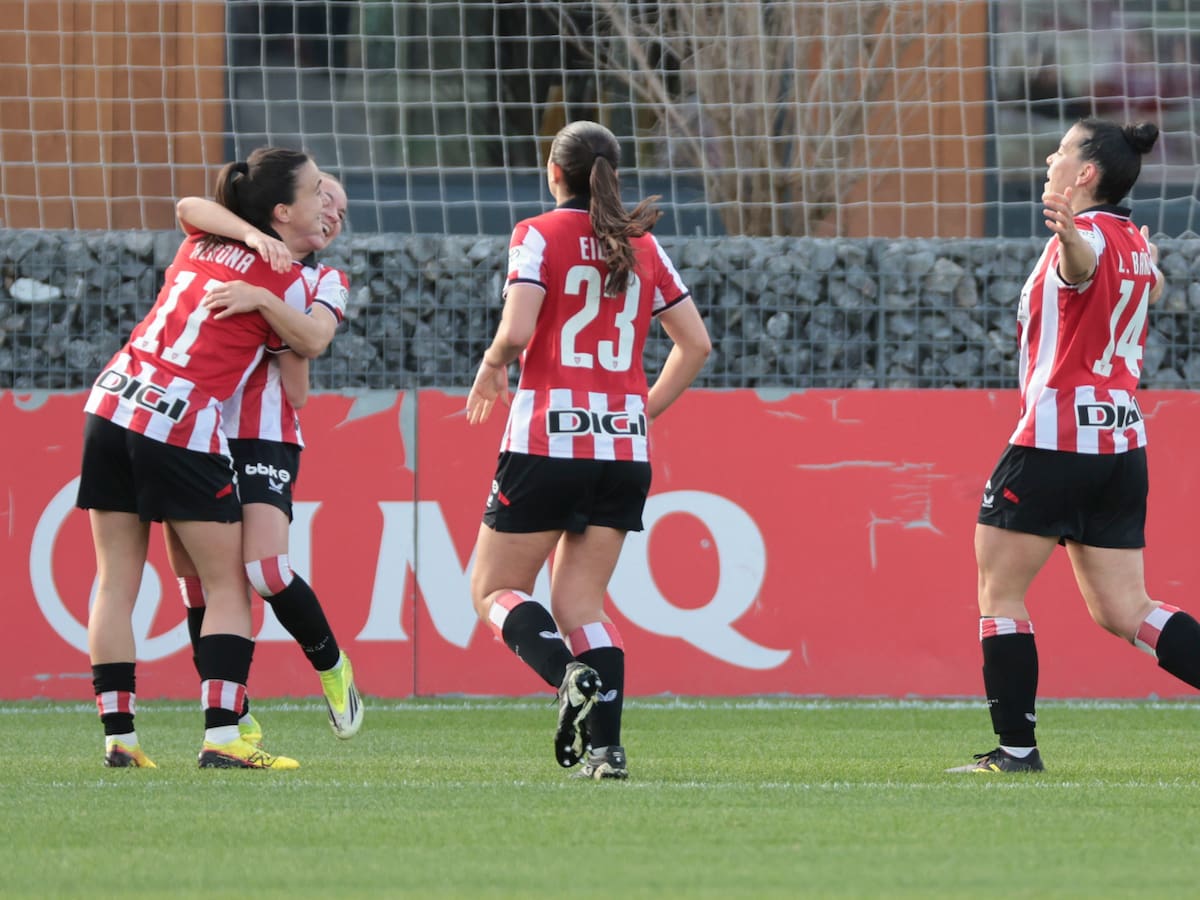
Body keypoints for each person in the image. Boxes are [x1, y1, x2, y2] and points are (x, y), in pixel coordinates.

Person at [948, 118, 1200, 773]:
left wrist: (1067, 238)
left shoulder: (1084, 234)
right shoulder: (1134, 245)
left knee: (999, 590)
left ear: (1085, 173)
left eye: (1062, 150)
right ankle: (1015, 748)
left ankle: (1016, 751)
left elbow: (1081, 267)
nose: (1051, 159)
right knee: (1126, 610)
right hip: (1120, 445)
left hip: (1057, 440)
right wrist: (1103, 254)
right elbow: (1146, 287)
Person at [466, 120, 712, 780]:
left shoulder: (537, 234)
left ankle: (564, 677)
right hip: (623, 451)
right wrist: (640, 409)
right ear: (614, 175)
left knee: (494, 587)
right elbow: (696, 345)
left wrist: (493, 364)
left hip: (549, 438)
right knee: (582, 605)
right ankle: (607, 751)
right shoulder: (642, 245)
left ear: (554, 172)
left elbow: (518, 326)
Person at [78, 147, 327, 770]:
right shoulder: (290, 279)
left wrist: (242, 231)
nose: (326, 202)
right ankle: (223, 737)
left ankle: (120, 739)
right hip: (179, 417)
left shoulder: (199, 242)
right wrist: (268, 290)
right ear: (281, 211)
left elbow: (190, 207)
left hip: (112, 400)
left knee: (114, 581)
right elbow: (311, 346)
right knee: (227, 584)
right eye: (317, 190)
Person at [162, 174, 362, 744]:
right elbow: (190, 205)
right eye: (325, 197)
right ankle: (233, 709)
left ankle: (332, 668)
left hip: (264, 438)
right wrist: (253, 252)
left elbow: (298, 388)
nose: (334, 212)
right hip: (193, 428)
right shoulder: (230, 248)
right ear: (287, 207)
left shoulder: (324, 280)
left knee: (264, 570)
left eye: (343, 212)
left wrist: (268, 312)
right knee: (197, 582)